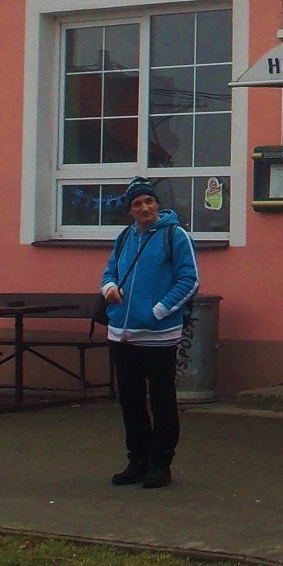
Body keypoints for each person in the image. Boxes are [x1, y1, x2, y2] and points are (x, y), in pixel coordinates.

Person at [99, 178, 198, 488]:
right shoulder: (124, 237)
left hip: (159, 335)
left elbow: (189, 280)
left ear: (157, 204)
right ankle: (137, 460)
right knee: (130, 401)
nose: (144, 208)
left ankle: (160, 463)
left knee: (162, 400)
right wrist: (109, 288)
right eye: (137, 204)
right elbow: (109, 271)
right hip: (122, 333)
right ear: (130, 210)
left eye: (148, 201)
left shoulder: (175, 235)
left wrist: (157, 311)